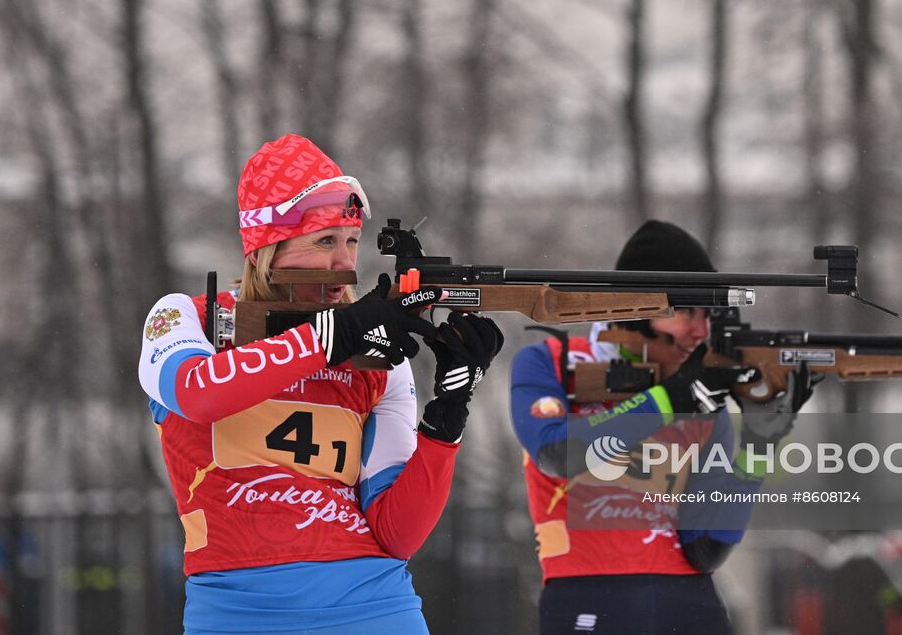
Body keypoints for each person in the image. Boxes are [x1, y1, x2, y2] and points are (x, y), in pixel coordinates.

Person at [138, 133, 504, 635]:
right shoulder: (188, 319)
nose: (344, 263)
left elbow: (397, 533)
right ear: (268, 247)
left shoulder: (377, 358)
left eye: (351, 241)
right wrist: (335, 334)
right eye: (325, 241)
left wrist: (448, 414)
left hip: (375, 608)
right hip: (237, 614)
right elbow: (199, 393)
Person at [510, 219, 812, 635]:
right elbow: (558, 453)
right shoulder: (553, 363)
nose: (700, 330)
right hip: (586, 598)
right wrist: (674, 399)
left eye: (708, 314)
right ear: (638, 306)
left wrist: (758, 445)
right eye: (687, 311)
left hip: (689, 605)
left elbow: (706, 547)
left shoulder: (701, 395)